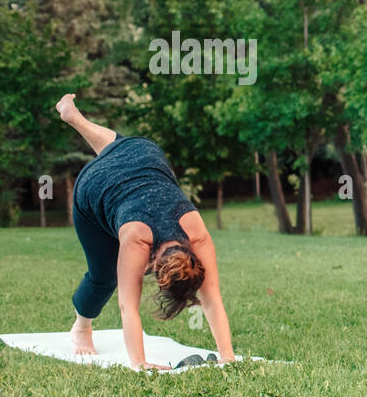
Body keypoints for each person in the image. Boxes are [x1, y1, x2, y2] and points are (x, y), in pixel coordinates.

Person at [56, 94, 234, 369]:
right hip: (94, 186)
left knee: (122, 153)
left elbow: (212, 300)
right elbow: (128, 308)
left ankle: (74, 117)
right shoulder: (137, 238)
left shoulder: (195, 230)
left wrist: (228, 357)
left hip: (141, 151)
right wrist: (140, 363)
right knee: (103, 276)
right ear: (157, 274)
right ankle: (81, 328)